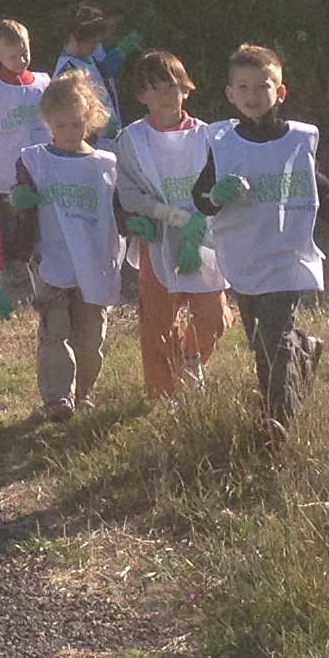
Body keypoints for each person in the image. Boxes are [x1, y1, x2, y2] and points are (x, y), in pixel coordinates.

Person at [202, 44, 329, 429]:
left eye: (262, 86)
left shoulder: (297, 140)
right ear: (230, 94)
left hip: (288, 257)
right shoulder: (222, 145)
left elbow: (318, 186)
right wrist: (215, 195)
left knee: (271, 341)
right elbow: (200, 196)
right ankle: (304, 348)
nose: (253, 95)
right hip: (246, 257)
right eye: (243, 87)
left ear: (281, 92)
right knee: (261, 338)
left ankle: (276, 419)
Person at [114, 49, 228, 398]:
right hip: (158, 240)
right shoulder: (131, 140)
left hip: (205, 239)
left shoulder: (208, 137)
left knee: (213, 318)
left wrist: (196, 229)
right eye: (155, 89)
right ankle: (164, 395)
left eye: (172, 87)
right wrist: (164, 218)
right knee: (158, 323)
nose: (165, 96)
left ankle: (190, 357)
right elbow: (129, 194)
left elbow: (219, 189)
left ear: (186, 90)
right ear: (141, 95)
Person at [11, 69, 123, 421]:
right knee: (54, 331)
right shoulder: (35, 160)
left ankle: (83, 392)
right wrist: (20, 197)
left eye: (76, 124)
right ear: (48, 123)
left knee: (90, 335)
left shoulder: (105, 165)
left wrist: (133, 224)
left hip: (93, 259)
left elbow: (117, 208)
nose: (70, 132)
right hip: (50, 258)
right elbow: (21, 194)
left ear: (89, 118)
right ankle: (58, 397)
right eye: (61, 126)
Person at [0, 21, 48, 304]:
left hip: (37, 167)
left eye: (25, 53)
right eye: (13, 56)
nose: (21, 60)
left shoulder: (42, 83)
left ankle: (32, 265)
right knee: (4, 223)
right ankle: (3, 271)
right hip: (1, 168)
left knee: (34, 220)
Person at [49, 5, 118, 118]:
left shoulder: (89, 58)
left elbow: (103, 74)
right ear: (75, 39)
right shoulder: (66, 71)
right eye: (93, 43)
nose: (96, 47)